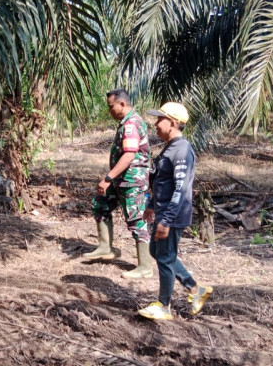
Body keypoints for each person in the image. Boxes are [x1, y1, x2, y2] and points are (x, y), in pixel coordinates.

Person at [138, 102, 212, 321]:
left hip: (172, 214)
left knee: (165, 256)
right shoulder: (170, 147)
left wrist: (166, 220)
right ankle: (195, 289)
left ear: (172, 123)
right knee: (158, 252)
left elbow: (180, 188)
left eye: (159, 120)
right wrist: (151, 204)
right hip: (163, 211)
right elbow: (162, 181)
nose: (155, 124)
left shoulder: (182, 150)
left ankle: (164, 305)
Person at [83, 89, 153, 279]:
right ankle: (106, 247)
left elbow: (130, 154)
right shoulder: (127, 122)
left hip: (132, 181)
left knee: (137, 220)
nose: (109, 110)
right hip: (121, 180)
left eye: (111, 106)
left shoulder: (131, 124)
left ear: (122, 104)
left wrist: (108, 178)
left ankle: (145, 266)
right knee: (100, 204)